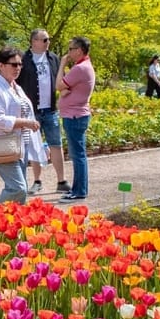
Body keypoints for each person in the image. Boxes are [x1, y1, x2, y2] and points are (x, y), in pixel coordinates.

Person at [0, 47, 45, 204]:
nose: (18, 68)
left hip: (20, 145)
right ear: (1, 65)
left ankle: (13, 219)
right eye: (14, 64)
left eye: (20, 64)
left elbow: (27, 114)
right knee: (17, 189)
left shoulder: (15, 87)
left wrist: (40, 144)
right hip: (3, 144)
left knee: (19, 194)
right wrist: (25, 123)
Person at [17, 29, 67, 194]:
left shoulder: (53, 58)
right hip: (32, 111)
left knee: (56, 144)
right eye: (44, 40)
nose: (48, 42)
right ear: (34, 41)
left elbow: (61, 80)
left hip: (50, 109)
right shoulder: (23, 60)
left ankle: (61, 180)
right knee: (34, 146)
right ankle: (37, 180)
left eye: (48, 39)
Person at [57, 37, 96, 201]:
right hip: (77, 115)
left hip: (74, 116)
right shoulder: (84, 66)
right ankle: (78, 188)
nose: (69, 53)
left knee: (78, 156)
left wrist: (62, 64)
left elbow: (59, 85)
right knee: (78, 155)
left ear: (79, 50)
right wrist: (64, 91)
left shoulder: (80, 68)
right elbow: (64, 88)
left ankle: (79, 191)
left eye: (71, 49)